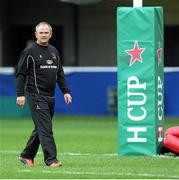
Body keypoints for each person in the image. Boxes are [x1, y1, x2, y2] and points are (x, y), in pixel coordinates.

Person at [16, 22, 72, 167]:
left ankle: (26, 155)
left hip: (50, 96)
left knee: (41, 128)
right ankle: (51, 159)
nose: (43, 35)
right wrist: (20, 94)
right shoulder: (29, 51)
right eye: (41, 33)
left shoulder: (54, 51)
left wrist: (66, 91)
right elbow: (21, 74)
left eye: (46, 33)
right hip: (35, 95)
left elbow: (60, 74)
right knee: (46, 128)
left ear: (51, 34)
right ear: (36, 34)